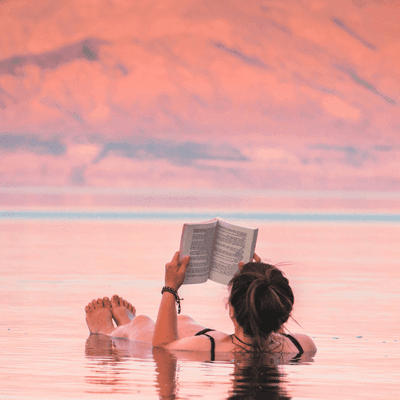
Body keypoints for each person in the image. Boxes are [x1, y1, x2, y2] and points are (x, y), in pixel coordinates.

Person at [85, 252, 317, 360]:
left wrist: (170, 289)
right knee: (184, 322)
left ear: (231, 310)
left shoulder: (202, 348)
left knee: (145, 325)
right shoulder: (302, 345)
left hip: (213, 342)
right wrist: (257, 283)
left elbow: (162, 345)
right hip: (214, 337)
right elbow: (266, 319)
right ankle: (128, 323)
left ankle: (110, 331)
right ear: (284, 314)